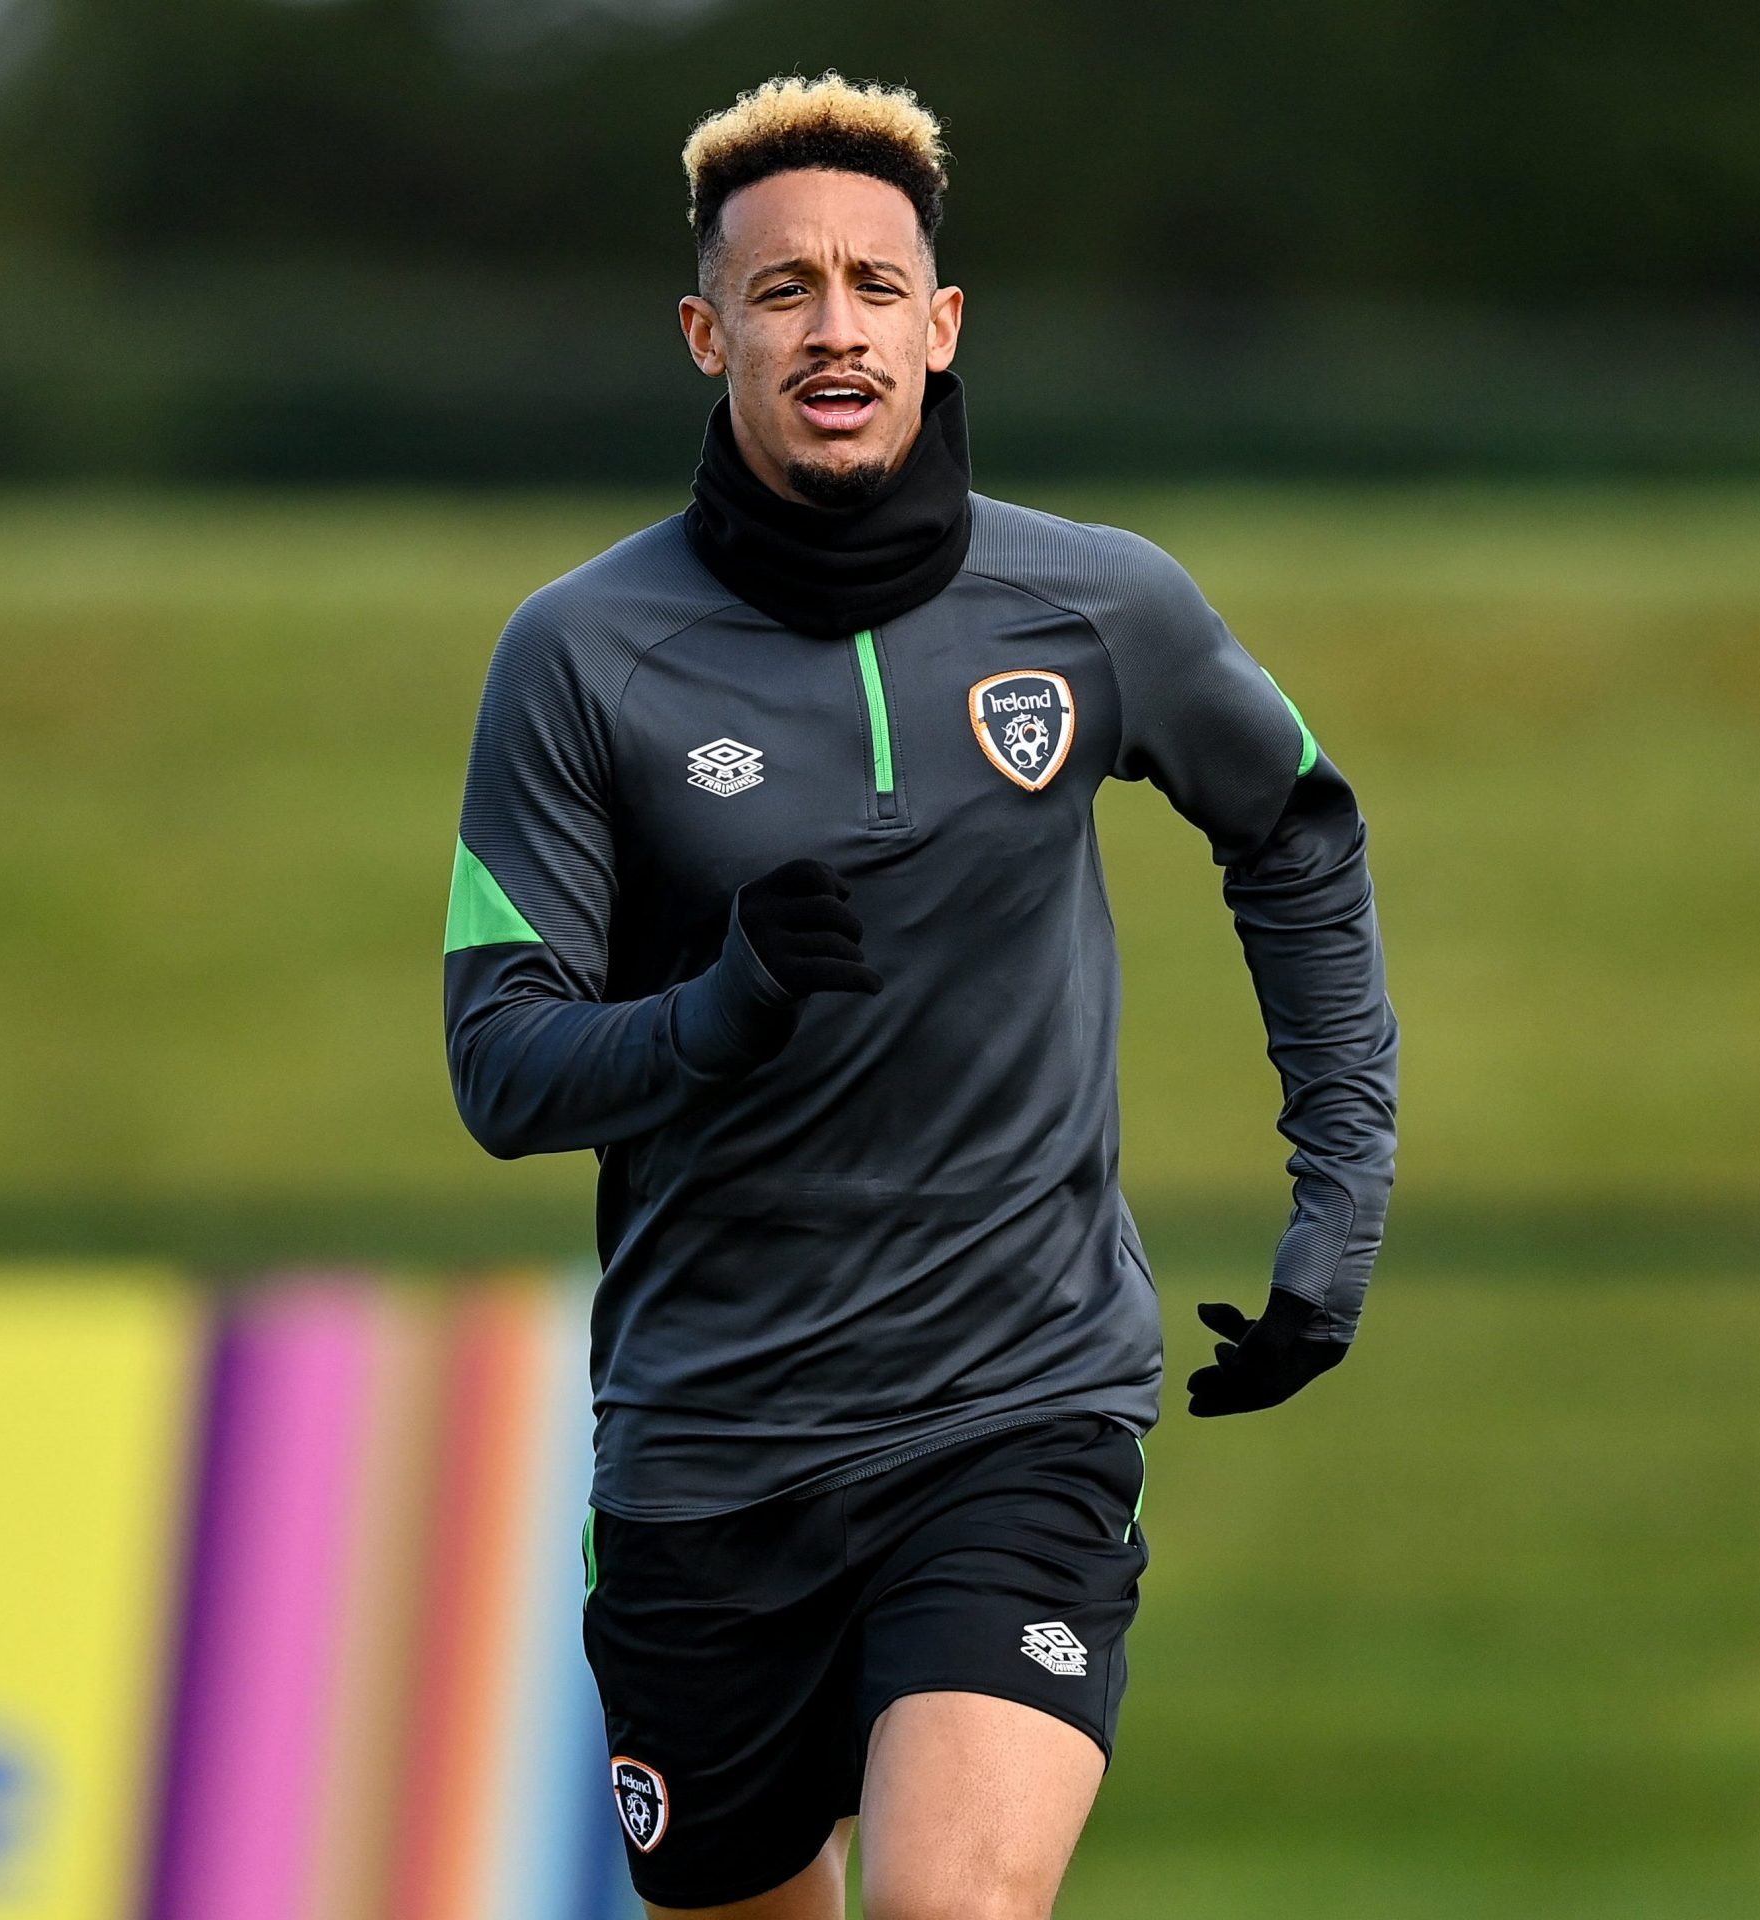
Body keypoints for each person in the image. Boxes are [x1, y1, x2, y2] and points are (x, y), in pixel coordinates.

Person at [444, 72, 1398, 1920]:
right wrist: (720, 1007)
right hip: (708, 1448)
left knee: (954, 1908)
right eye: (785, 289)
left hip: (1016, 1401)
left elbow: (1301, 833)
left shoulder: (1097, 607)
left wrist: (1339, 1198)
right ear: (707, 333)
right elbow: (501, 1066)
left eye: (877, 286)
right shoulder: (581, 655)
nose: (836, 326)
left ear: (942, 327)